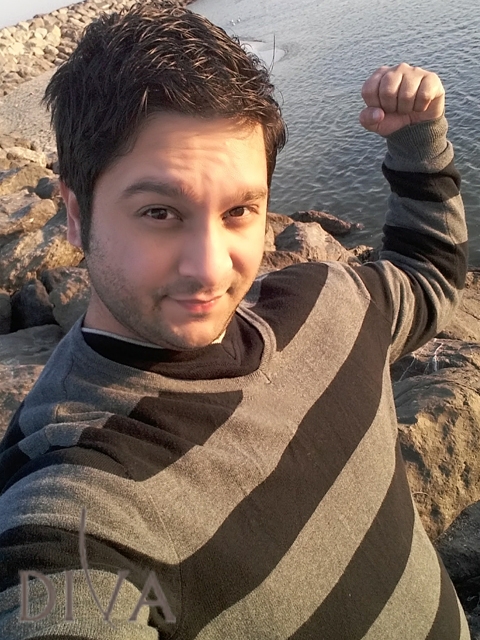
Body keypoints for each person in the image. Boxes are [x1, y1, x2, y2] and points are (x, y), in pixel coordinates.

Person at [0, 1, 470, 638]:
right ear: (77, 215)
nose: (209, 268)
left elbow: (427, 277)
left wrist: (418, 141)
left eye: (239, 211)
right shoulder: (75, 496)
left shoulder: (330, 304)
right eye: (160, 213)